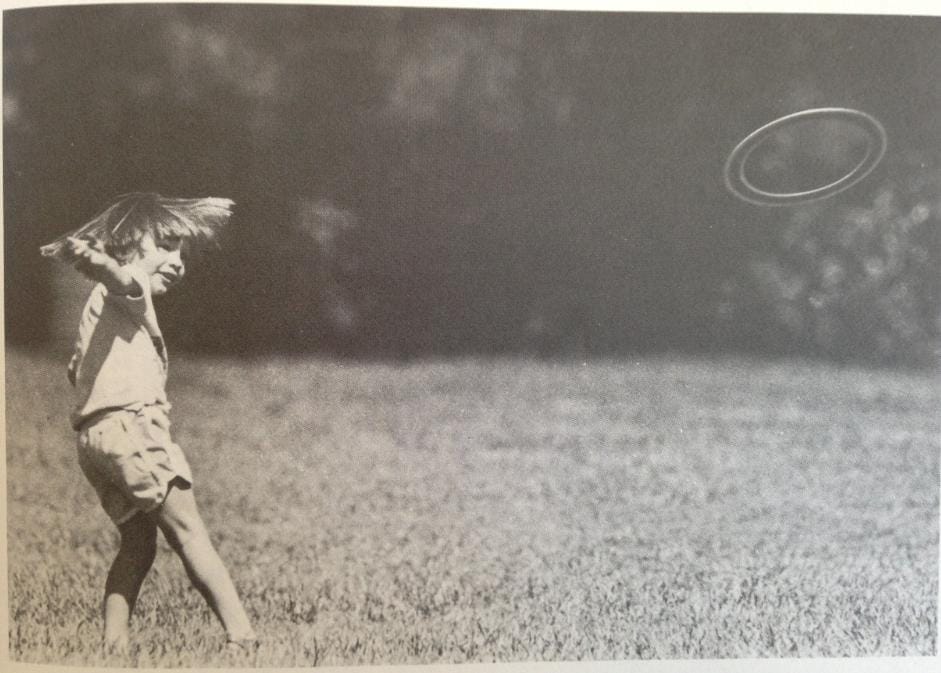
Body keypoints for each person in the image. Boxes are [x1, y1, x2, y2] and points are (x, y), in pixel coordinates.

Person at [40, 192, 257, 656]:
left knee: (138, 546)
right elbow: (121, 276)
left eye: (181, 252)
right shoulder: (127, 282)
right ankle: (243, 638)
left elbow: (77, 369)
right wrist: (98, 263)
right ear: (125, 247)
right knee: (189, 531)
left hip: (94, 443)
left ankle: (113, 646)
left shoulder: (98, 309)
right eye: (166, 246)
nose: (177, 262)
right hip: (132, 431)